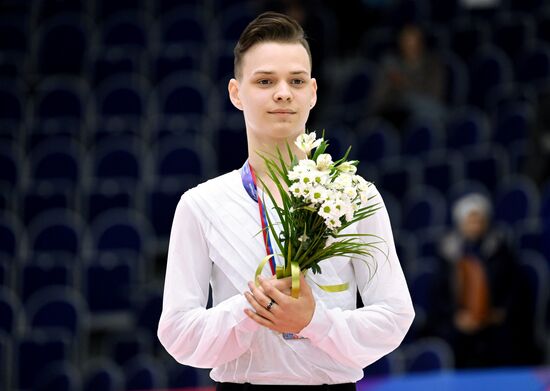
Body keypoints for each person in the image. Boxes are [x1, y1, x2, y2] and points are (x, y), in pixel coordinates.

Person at [157, 12, 414, 390]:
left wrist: (314, 321)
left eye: (295, 81)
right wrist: (251, 306)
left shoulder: (356, 195)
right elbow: (177, 334)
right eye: (264, 81)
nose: (282, 92)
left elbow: (395, 317)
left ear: (312, 92)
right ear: (236, 92)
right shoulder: (201, 204)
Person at [430, 193, 534, 368]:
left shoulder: (500, 251)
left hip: (494, 322)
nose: (475, 226)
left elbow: (514, 287)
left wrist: (498, 314)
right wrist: (456, 317)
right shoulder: (448, 253)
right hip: (458, 323)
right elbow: (439, 293)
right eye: (470, 221)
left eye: (479, 220)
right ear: (460, 223)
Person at [370, 23, 447, 130]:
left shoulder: (433, 65)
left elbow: (434, 97)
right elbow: (378, 100)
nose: (409, 44)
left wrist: (404, 83)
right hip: (394, 114)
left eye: (412, 40)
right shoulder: (393, 65)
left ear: (421, 42)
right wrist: (388, 80)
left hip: (422, 114)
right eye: (405, 40)